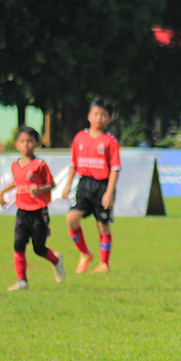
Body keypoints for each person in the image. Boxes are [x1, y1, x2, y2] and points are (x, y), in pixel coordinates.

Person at [0, 126, 66, 291]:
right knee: (18, 244)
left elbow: (51, 184)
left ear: (37, 143)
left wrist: (39, 189)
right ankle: (22, 281)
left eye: (29, 141)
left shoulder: (40, 165)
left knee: (38, 248)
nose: (26, 144)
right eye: (22, 141)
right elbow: (18, 181)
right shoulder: (15, 164)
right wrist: (4, 191)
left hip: (38, 211)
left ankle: (56, 260)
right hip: (21, 211)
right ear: (16, 144)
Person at [61, 98, 120, 274]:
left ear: (109, 118)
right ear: (89, 116)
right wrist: (67, 186)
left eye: (103, 115)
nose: (99, 118)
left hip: (102, 186)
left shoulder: (110, 141)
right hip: (84, 184)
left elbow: (115, 168)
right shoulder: (80, 138)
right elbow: (73, 164)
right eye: (96, 114)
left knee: (102, 224)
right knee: (71, 218)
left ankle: (104, 264)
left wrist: (109, 192)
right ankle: (85, 253)